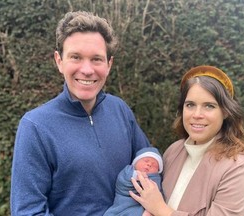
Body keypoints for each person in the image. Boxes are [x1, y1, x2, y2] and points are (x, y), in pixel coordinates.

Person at [10, 11, 151, 215]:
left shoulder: (119, 110)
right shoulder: (35, 126)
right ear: (59, 61)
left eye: (96, 59)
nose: (87, 69)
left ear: (109, 65)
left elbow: (148, 163)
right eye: (76, 57)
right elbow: (28, 211)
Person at [130, 65, 244, 215]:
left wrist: (161, 210)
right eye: (190, 105)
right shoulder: (173, 151)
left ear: (225, 112)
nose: (197, 114)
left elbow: (157, 206)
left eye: (209, 106)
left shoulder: (239, 170)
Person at [104, 147, 163, 216]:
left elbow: (158, 195)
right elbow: (121, 182)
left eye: (154, 165)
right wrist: (135, 175)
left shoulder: (156, 179)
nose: (149, 164)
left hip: (140, 207)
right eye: (146, 161)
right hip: (124, 202)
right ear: (135, 162)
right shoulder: (128, 171)